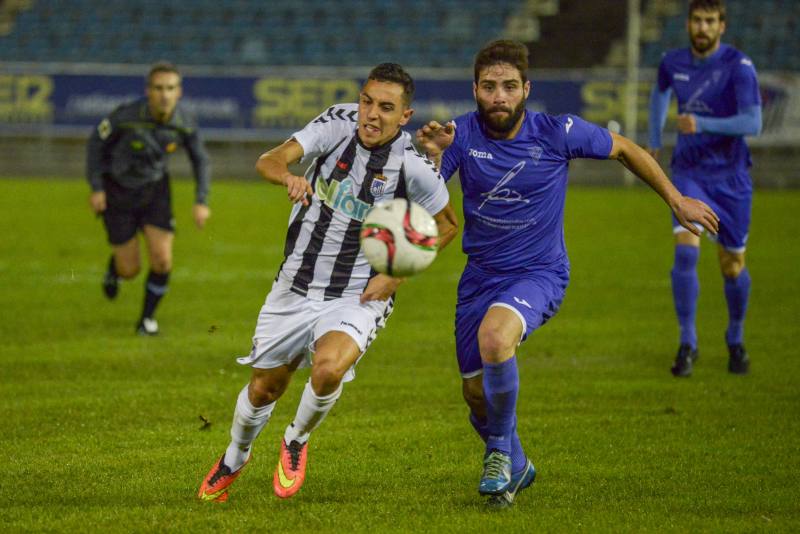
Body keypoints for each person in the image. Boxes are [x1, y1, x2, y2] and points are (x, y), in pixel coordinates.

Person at [416, 40, 719, 507]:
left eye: (510, 87)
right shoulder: (460, 135)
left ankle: (497, 455)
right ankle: (516, 462)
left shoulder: (557, 132)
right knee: (475, 394)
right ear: (475, 89)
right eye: (491, 87)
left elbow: (623, 149)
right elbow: (429, 203)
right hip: (479, 277)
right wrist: (433, 158)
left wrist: (675, 199)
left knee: (496, 339)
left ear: (527, 89)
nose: (500, 97)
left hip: (539, 273)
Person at [197, 63, 458, 502]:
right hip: (294, 284)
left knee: (329, 368)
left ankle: (296, 440)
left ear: (404, 116)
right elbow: (269, 159)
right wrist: (288, 175)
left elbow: (447, 225)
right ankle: (234, 457)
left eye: (386, 108)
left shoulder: (411, 165)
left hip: (356, 294)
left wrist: (394, 277)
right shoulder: (337, 123)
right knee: (265, 388)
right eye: (367, 101)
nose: (372, 115)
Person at [647, 0, 761, 377]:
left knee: (732, 266)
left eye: (710, 21)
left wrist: (703, 124)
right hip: (689, 172)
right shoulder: (673, 62)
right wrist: (653, 140)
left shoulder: (738, 66)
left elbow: (753, 122)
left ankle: (736, 336)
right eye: (697, 20)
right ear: (689, 24)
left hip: (731, 177)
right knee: (686, 253)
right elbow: (660, 91)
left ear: (721, 26)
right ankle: (688, 342)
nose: (702, 27)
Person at [86, 61, 211, 336]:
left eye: (170, 88)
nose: (164, 94)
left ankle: (146, 321)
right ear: (148, 91)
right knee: (130, 269)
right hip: (118, 192)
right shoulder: (125, 115)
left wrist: (201, 200)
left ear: (179, 92)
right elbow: (96, 143)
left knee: (163, 261)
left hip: (155, 191)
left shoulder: (185, 122)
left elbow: (200, 160)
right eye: (158, 88)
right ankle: (115, 269)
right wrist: (96, 187)